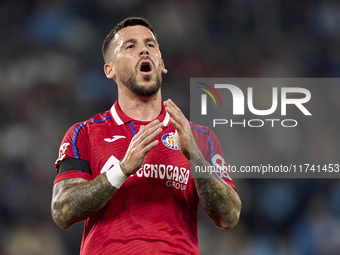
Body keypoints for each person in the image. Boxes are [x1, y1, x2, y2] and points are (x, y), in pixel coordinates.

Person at [51, 17, 241, 255]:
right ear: (109, 70)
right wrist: (121, 170)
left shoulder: (199, 137)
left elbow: (229, 216)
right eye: (130, 46)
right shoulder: (84, 134)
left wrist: (195, 157)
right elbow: (62, 212)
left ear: (161, 63)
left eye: (151, 45)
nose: (144, 49)